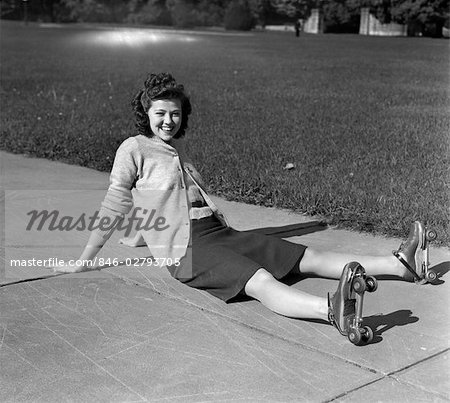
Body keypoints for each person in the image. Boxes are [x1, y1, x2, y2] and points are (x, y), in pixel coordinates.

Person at [52, 73, 432, 341]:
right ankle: (332, 310)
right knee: (259, 280)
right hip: (188, 251)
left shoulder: (174, 152)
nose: (169, 120)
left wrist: (138, 236)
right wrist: (85, 258)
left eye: (175, 113)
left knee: (306, 256)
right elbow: (115, 204)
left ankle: (401, 264)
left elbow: (152, 204)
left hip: (219, 234)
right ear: (145, 114)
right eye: (160, 113)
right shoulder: (133, 148)